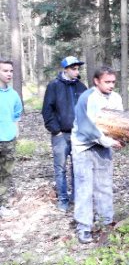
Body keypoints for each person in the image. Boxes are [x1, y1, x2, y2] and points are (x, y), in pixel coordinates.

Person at [71, 66, 124, 244]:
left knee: (104, 186)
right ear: (96, 81)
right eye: (107, 82)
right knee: (85, 188)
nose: (111, 85)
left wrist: (120, 138)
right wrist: (108, 141)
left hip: (103, 147)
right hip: (83, 146)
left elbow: (120, 122)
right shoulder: (87, 97)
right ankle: (84, 227)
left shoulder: (116, 98)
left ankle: (106, 223)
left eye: (113, 82)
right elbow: (86, 128)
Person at [42, 56, 87, 212]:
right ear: (65, 69)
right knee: (60, 168)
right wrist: (56, 131)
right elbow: (47, 111)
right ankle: (63, 199)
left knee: (78, 167)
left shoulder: (82, 87)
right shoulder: (54, 86)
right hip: (61, 135)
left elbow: (88, 110)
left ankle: (76, 197)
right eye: (73, 69)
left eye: (78, 68)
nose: (77, 71)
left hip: (79, 135)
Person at [0, 59, 23, 218]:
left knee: (6, 173)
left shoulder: (14, 94)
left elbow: (16, 114)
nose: (8, 74)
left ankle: (2, 205)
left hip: (8, 140)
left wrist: (15, 131)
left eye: (10, 71)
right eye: (5, 71)